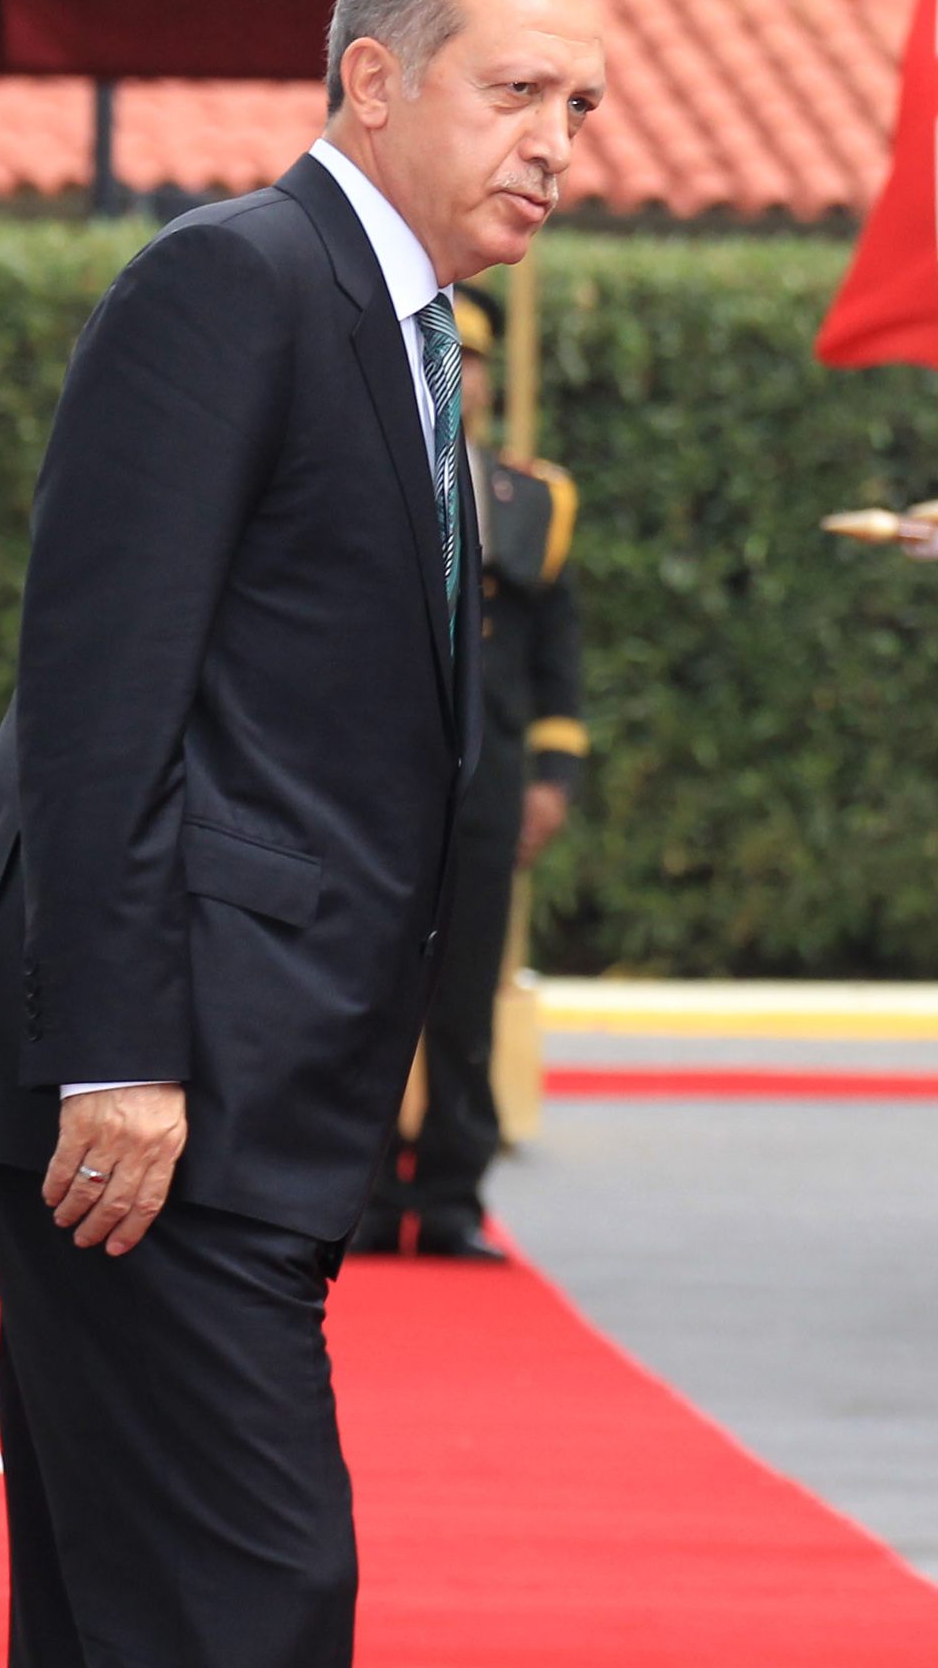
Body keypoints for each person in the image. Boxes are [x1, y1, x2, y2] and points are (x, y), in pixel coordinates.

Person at [0, 0, 605, 1668]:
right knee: (251, 1606)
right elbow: (104, 697)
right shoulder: (235, 282)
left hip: (251, 1100)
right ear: (373, 79)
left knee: (126, 1613)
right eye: (520, 92)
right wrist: (117, 1058)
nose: (556, 145)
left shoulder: (402, 329)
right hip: (158, 1109)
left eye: (583, 107)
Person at [360, 283, 584, 1262]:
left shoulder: (532, 500)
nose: (470, 376)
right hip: (376, 778)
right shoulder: (372, 470)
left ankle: (450, 1192)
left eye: (479, 360)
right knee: (364, 988)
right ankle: (361, 1194)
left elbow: (554, 656)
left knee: (462, 995)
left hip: (486, 780)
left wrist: (552, 776)